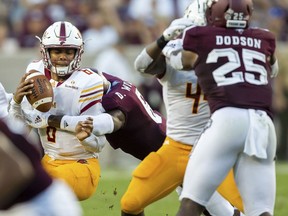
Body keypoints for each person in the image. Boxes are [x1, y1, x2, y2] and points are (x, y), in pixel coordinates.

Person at [119, 1, 243, 216]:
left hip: (215, 148)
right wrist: (163, 39)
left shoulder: (230, 54)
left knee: (246, 208)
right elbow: (141, 65)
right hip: (177, 148)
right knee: (131, 203)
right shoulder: (172, 51)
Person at [172, 0, 278, 215]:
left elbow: (179, 62)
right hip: (263, 123)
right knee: (260, 210)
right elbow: (273, 68)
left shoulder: (200, 35)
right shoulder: (266, 37)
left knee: (191, 200)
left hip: (227, 118)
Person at [9, 21, 107, 201]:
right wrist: (16, 102)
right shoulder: (35, 71)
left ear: (78, 53)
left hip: (81, 164)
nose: (63, 56)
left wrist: (84, 138)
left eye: (69, 51)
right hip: (49, 162)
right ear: (46, 52)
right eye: (57, 51)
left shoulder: (89, 82)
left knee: (42, 194)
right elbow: (20, 131)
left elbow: (99, 144)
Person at [23, 70, 167, 161]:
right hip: (161, 140)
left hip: (164, 146)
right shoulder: (110, 80)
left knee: (131, 203)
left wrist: (49, 119)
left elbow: (106, 123)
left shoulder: (115, 99)